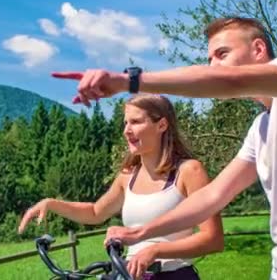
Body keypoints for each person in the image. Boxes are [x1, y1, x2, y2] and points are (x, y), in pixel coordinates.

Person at [52, 17, 277, 279]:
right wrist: (143, 232)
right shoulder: (261, 129)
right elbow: (212, 197)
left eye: (222, 54)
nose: (213, 65)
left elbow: (228, 81)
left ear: (258, 50)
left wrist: (129, 82)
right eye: (210, 59)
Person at [18, 94, 224, 279]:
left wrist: (156, 250)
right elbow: (95, 212)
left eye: (135, 122)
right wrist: (51, 203)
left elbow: (212, 239)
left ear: (162, 125)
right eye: (125, 123)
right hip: (129, 274)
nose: (127, 130)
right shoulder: (128, 176)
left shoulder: (189, 171)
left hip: (174, 275)